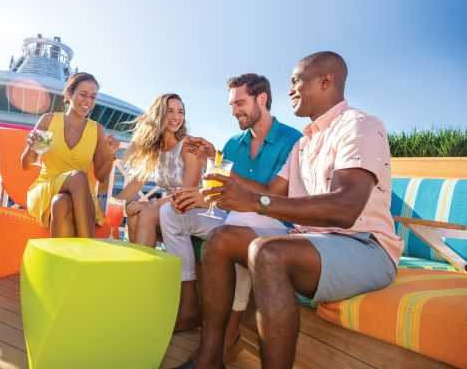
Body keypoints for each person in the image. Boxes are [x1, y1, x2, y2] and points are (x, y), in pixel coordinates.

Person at [179, 51, 402, 369]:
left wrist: (254, 202)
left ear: (326, 81)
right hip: (313, 241)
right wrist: (234, 186)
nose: (289, 90)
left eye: (296, 81)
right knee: (220, 239)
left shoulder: (359, 125)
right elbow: (271, 193)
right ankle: (210, 357)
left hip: (365, 246)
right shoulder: (303, 145)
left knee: (268, 252)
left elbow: (345, 208)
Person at [160, 74, 301, 358]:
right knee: (170, 213)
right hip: (235, 216)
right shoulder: (234, 143)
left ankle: (230, 333)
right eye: (231, 105)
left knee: (238, 223)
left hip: (276, 224)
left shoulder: (293, 140)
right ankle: (188, 301)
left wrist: (222, 168)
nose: (234, 111)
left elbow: (274, 196)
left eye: (240, 103)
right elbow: (220, 186)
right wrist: (202, 193)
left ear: (262, 99)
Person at [22, 72, 119, 238]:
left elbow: (101, 176)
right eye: (83, 94)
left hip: (81, 199)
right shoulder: (50, 121)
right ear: (69, 94)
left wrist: (109, 156)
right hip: (47, 188)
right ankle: (88, 245)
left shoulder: (96, 130)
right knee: (78, 177)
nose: (88, 101)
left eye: (93, 97)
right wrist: (31, 149)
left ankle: (64, 256)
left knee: (61, 204)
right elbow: (26, 164)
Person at [117, 93, 201, 247]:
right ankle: (136, 261)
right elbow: (136, 182)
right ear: (159, 115)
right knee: (134, 214)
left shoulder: (188, 146)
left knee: (146, 212)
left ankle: (144, 261)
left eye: (180, 112)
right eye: (170, 111)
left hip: (192, 206)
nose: (176, 117)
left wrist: (149, 205)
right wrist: (113, 205)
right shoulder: (156, 150)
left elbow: (186, 195)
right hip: (169, 206)